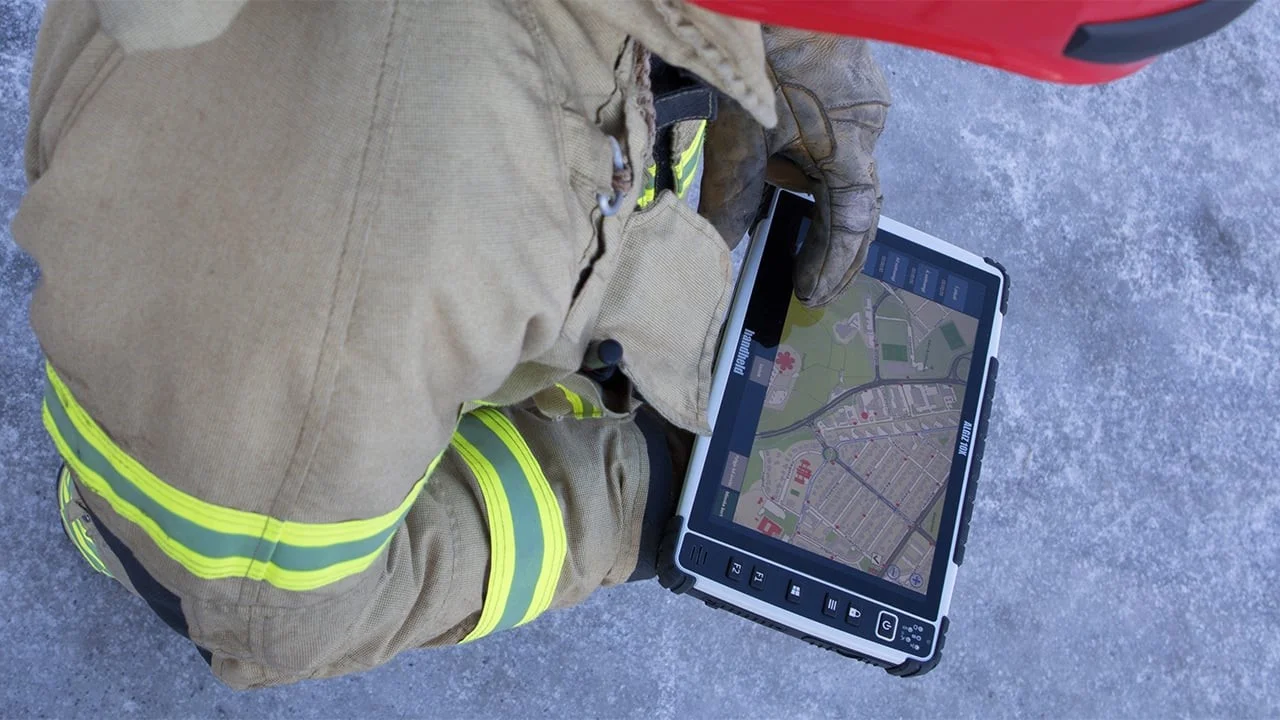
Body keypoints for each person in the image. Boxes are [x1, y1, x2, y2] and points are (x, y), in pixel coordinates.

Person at [14, 0, 889, 688]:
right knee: (216, 572)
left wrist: (777, 35)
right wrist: (637, 493)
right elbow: (271, 603)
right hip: (296, 388)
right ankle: (120, 529)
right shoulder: (362, 224)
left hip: (485, 220)